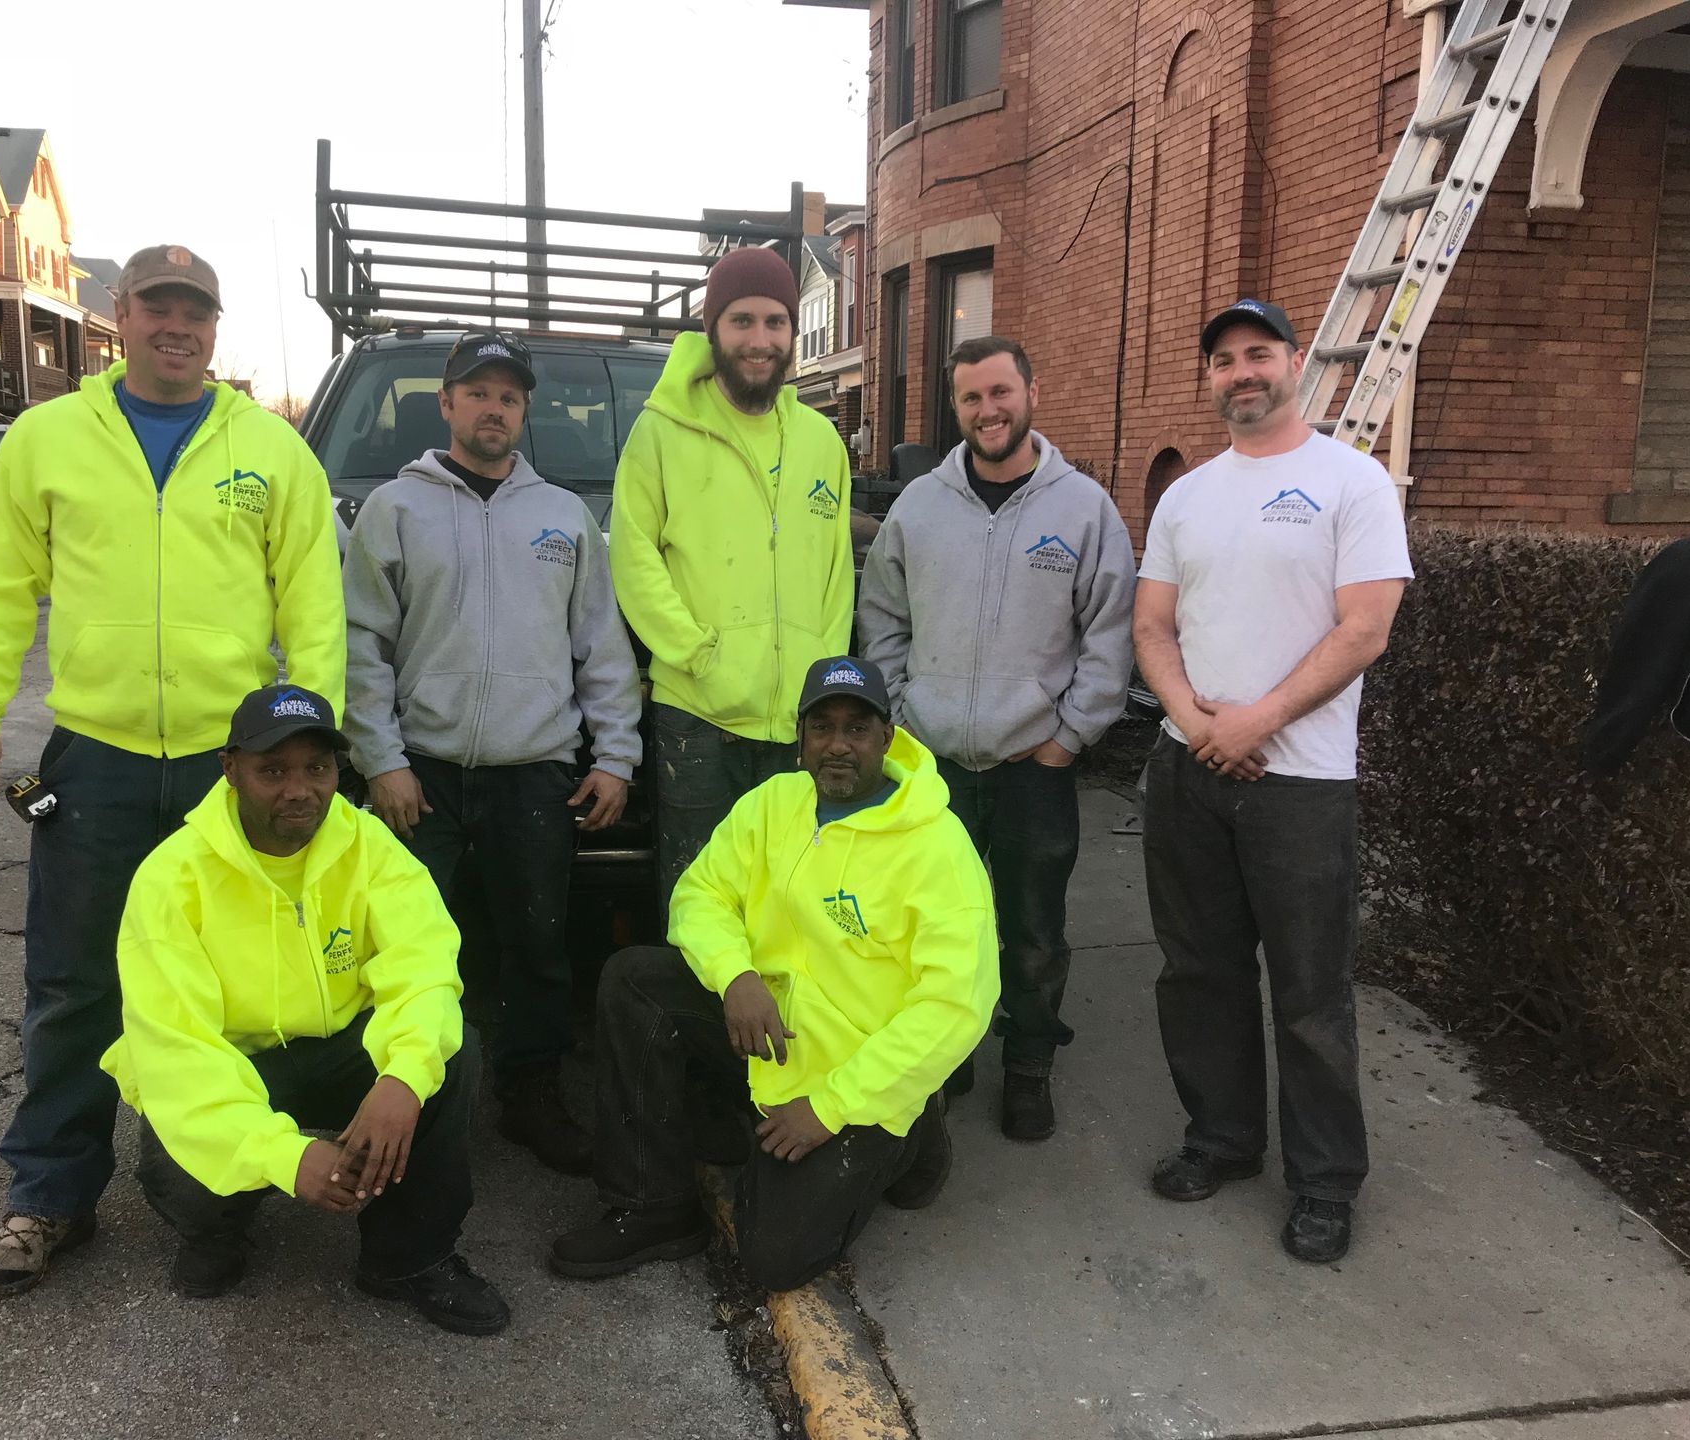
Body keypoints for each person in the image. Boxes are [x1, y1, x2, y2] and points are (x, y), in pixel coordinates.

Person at [0, 245, 346, 1297]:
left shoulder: (271, 450)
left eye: (196, 312)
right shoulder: (46, 441)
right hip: (101, 756)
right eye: (157, 308)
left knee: (232, 988)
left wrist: (318, 749)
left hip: (235, 769)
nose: (178, 327)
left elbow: (312, 606)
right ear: (119, 316)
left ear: (216, 328)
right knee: (76, 982)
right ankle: (49, 1197)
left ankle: (215, 1186)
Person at [550, 657, 998, 1291]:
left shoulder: (936, 849)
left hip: (852, 1069)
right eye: (822, 727)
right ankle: (653, 1206)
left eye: (857, 728)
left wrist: (829, 1108)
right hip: (764, 1026)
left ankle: (913, 1133)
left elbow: (954, 1007)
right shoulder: (774, 803)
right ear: (801, 737)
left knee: (773, 1261)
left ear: (888, 738)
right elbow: (700, 894)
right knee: (635, 979)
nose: (837, 745)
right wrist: (736, 977)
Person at [1134, 299, 1412, 1264]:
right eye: (1223, 359)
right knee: (1199, 972)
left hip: (1302, 787)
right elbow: (1151, 628)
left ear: (1293, 363)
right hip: (1188, 775)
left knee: (1309, 991)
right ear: (1208, 377)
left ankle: (1326, 1182)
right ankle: (1222, 1138)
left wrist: (1257, 719)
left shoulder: (1353, 483)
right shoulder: (1187, 497)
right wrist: (1199, 722)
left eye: (1258, 354)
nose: (1241, 371)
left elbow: (1365, 629)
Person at [98, 685, 505, 1333]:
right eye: (273, 770)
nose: (299, 789)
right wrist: (284, 1156)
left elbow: (423, 966)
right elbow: (178, 1049)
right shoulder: (170, 877)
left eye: (317, 768)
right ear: (231, 769)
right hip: (231, 1059)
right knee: (186, 1171)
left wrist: (402, 1078)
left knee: (450, 1054)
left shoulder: (368, 845)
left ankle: (407, 1257)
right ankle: (220, 1229)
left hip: (342, 1043)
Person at [342, 331, 641, 1177]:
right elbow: (361, 646)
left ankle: (530, 1097)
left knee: (536, 948)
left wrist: (615, 758)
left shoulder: (565, 519)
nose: (493, 408)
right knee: (410, 946)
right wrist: (381, 761)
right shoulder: (395, 511)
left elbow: (603, 649)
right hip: (421, 777)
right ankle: (418, 1102)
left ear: (524, 411)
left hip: (535, 775)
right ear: (446, 404)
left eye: (508, 396)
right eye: (477, 392)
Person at [859, 335, 1135, 1141]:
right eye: (972, 398)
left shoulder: (1082, 509)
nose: (988, 410)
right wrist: (903, 718)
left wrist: (1068, 738)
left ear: (1032, 392)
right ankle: (943, 1057)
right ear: (957, 409)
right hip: (932, 764)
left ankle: (1028, 1066)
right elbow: (882, 618)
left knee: (1033, 930)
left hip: (1031, 767)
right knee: (930, 927)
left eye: (1001, 393)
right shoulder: (919, 508)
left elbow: (1109, 634)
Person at [610, 246, 855, 907]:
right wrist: (698, 653)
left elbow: (837, 579)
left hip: (793, 721)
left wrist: (822, 682)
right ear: (713, 329)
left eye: (776, 322)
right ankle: (691, 1015)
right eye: (742, 321)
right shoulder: (660, 434)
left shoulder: (820, 441)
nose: (760, 339)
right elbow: (633, 557)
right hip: (698, 720)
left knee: (784, 897)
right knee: (700, 896)